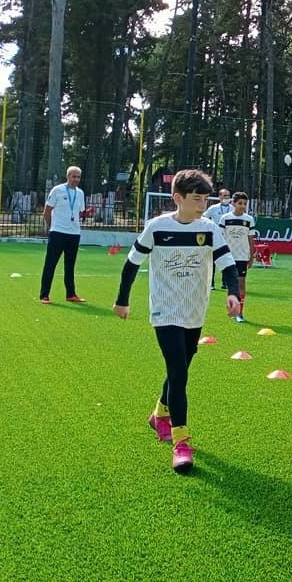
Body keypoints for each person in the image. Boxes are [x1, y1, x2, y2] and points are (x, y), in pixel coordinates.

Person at [112, 169, 241, 474]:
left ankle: (159, 412)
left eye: (205, 198)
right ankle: (181, 442)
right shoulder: (156, 228)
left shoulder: (210, 229)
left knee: (180, 367)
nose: (202, 204)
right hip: (165, 311)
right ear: (178, 198)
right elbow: (131, 264)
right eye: (196, 198)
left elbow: (227, 263)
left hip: (195, 311)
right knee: (179, 373)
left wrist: (234, 293)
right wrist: (122, 300)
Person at [39, 166, 86, 304]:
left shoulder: (80, 193)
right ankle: (44, 295)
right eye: (74, 176)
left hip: (74, 233)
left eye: (78, 177)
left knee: (70, 265)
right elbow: (47, 211)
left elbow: (79, 212)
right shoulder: (57, 190)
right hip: (58, 232)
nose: (76, 179)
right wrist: (50, 226)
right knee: (50, 264)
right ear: (68, 176)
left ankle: (71, 294)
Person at [219, 191, 257, 324]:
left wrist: (251, 256)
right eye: (240, 203)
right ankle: (232, 309)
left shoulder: (249, 220)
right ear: (233, 203)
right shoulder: (225, 218)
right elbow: (220, 238)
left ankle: (240, 312)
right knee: (231, 285)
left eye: (245, 204)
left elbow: (251, 239)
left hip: (242, 257)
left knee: (241, 284)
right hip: (228, 256)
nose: (242, 206)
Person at [203, 188, 234, 289]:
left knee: (226, 260)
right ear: (220, 197)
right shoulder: (213, 208)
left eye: (228, 196)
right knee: (212, 261)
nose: (226, 198)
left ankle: (225, 283)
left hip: (228, 238)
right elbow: (204, 218)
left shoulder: (233, 208)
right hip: (215, 237)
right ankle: (211, 283)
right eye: (224, 196)